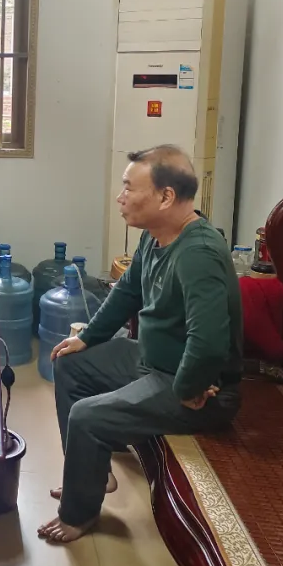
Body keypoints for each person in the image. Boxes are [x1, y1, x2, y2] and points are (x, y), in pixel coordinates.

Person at [38, 145, 243, 543]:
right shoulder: (154, 236)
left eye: (130, 188)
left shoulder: (198, 253)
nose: (121, 197)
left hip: (196, 389)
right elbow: (126, 293)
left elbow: (208, 343)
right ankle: (95, 475)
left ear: (166, 197)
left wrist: (188, 387)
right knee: (69, 362)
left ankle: (78, 514)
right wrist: (87, 338)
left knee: (86, 416)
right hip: (153, 363)